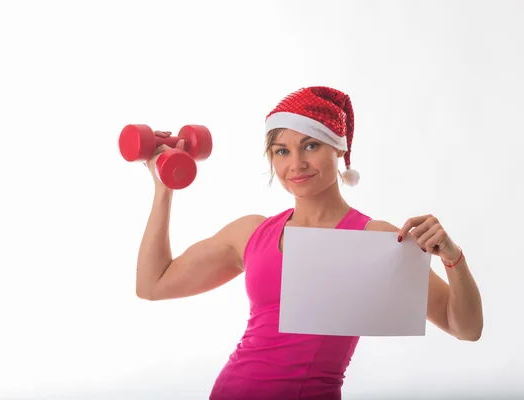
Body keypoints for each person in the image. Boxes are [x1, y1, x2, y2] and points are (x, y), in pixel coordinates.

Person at [134, 86, 484, 400]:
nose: (296, 164)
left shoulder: (377, 240)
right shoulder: (251, 233)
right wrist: (164, 188)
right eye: (281, 151)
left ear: (340, 150)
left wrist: (453, 259)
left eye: (311, 146)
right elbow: (154, 284)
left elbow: (464, 328)